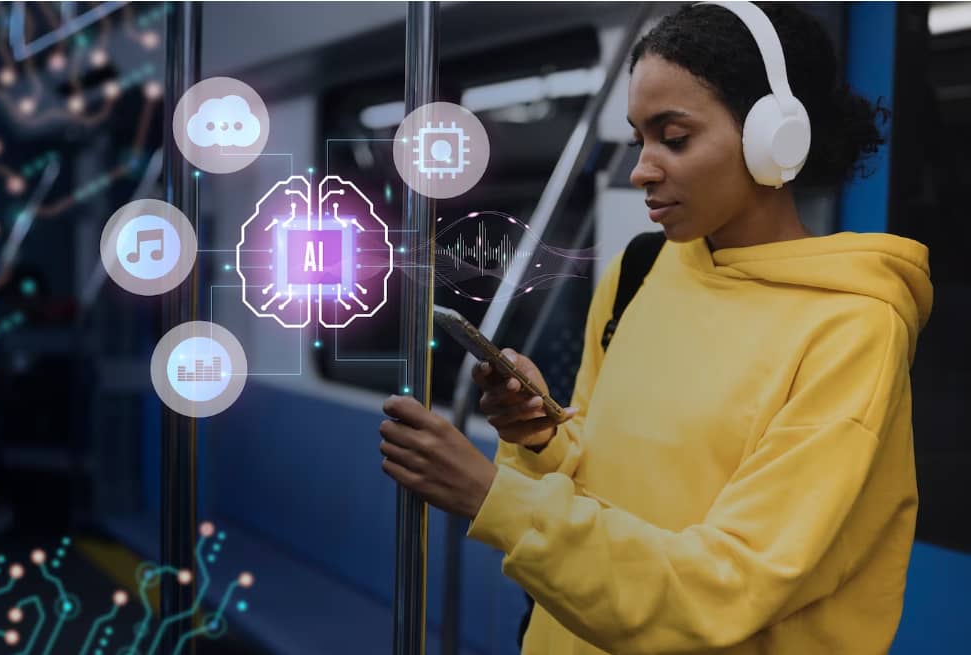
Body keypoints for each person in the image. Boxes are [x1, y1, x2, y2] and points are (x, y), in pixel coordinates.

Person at [378, 2, 933, 653]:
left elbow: (720, 589)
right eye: (637, 137)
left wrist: (489, 497)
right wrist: (541, 437)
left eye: (673, 138)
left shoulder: (849, 328)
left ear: (772, 136)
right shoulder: (640, 270)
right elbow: (602, 471)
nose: (641, 167)